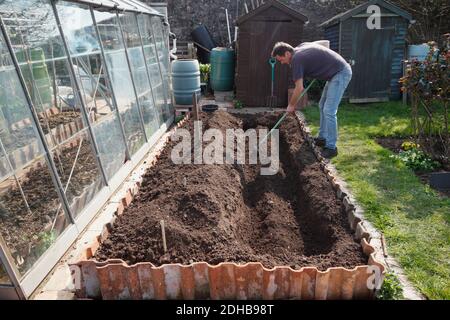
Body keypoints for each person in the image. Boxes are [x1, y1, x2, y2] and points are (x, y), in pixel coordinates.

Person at [272, 41, 352, 158]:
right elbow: (324, 44)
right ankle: (322, 138)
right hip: (334, 74)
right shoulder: (300, 47)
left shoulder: (296, 60)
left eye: (281, 59)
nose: (282, 62)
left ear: (287, 53)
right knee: (322, 105)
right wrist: (322, 64)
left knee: (329, 110)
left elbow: (299, 88)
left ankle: (331, 148)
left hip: (340, 73)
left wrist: (291, 105)